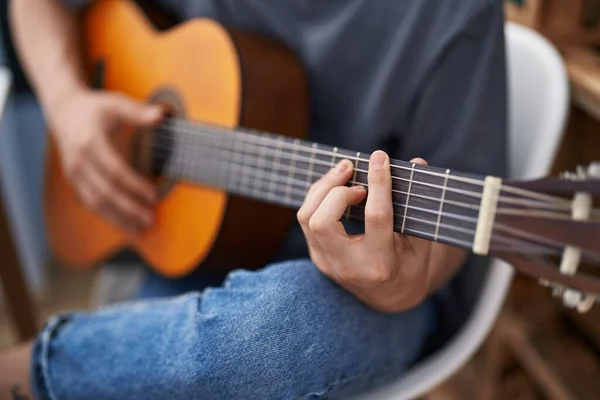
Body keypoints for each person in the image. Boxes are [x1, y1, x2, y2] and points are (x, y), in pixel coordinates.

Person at [1, 0, 507, 398]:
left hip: (374, 285)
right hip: (201, 242)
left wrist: (402, 280)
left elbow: (461, 214)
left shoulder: (456, 11)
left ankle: (23, 376)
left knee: (260, 340)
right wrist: (67, 103)